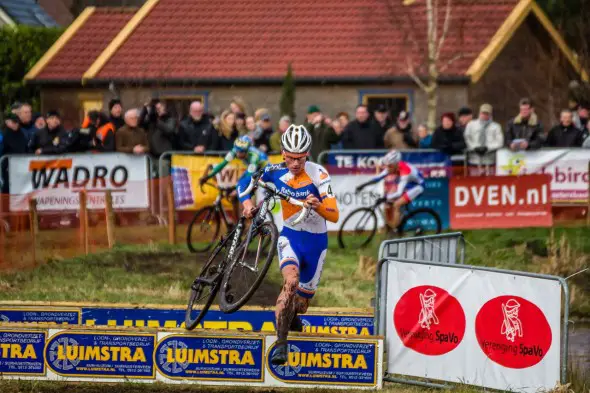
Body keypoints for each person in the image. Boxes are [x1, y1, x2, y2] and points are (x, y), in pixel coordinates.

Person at [238, 125, 339, 365]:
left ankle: (292, 316)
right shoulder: (273, 171)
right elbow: (244, 185)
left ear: (308, 153)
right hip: (290, 236)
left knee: (301, 305)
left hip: (316, 242)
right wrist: (246, 204)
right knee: (290, 281)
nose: (295, 163)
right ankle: (281, 345)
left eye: (301, 158)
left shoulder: (319, 174)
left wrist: (317, 205)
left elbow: (334, 215)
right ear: (283, 152)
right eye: (291, 158)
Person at [354, 150, 424, 231]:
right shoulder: (392, 166)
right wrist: (363, 185)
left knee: (397, 204)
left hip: (417, 186)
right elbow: (378, 178)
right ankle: (396, 223)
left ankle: (395, 230)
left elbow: (398, 193)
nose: (388, 168)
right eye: (387, 165)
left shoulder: (405, 172)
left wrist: (384, 198)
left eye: (390, 166)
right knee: (390, 199)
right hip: (408, 183)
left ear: (396, 165)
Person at [199, 135, 268, 188]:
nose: (238, 154)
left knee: (247, 189)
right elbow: (222, 165)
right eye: (237, 151)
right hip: (253, 169)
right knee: (239, 187)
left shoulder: (254, 157)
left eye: (241, 152)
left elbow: (249, 176)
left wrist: (236, 187)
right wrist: (208, 177)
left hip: (264, 168)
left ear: (247, 151)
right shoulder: (235, 150)